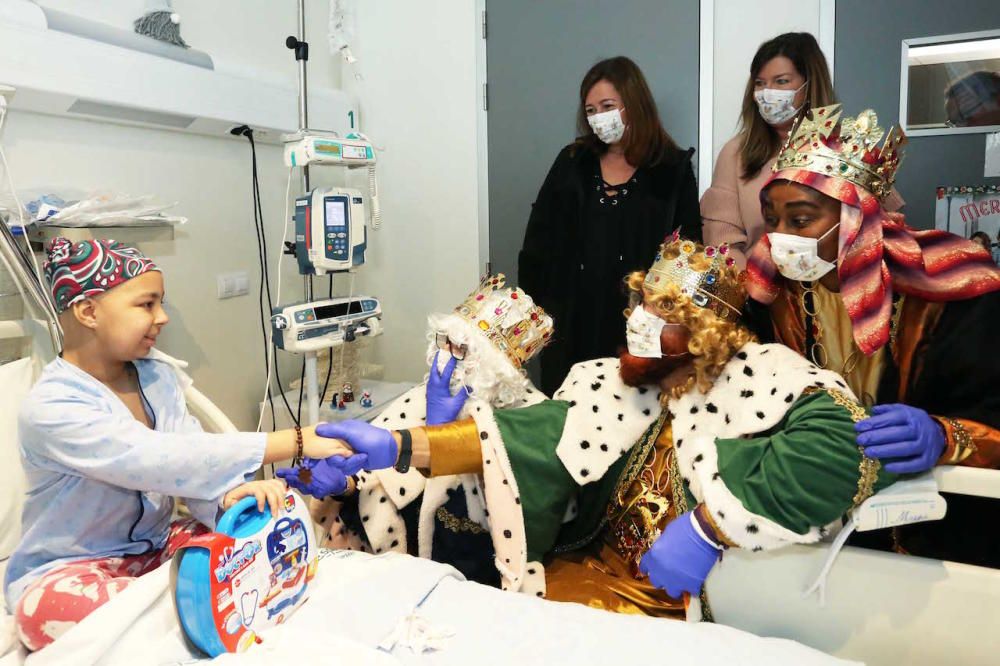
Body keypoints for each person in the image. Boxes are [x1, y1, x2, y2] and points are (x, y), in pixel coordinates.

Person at [282, 234, 897, 618]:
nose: (637, 322)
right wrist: (404, 443)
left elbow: (836, 451)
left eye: (663, 314)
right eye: (639, 304)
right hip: (577, 582)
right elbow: (531, 442)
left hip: (682, 603)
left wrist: (711, 529)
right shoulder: (608, 381)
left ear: (706, 334)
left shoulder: (762, 373)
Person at [5, 238, 349, 651]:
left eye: (160, 303)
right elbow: (155, 460)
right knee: (39, 612)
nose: (162, 317)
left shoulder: (156, 378)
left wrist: (226, 497)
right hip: (74, 567)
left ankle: (195, 599)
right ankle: (200, 600)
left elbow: (192, 462)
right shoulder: (52, 407)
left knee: (250, 530)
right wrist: (294, 441)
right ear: (88, 311)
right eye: (146, 304)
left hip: (160, 544)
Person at [745, 104, 1000, 567]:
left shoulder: (955, 296)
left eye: (800, 221)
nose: (779, 238)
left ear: (855, 221)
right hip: (813, 518)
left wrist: (945, 436)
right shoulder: (770, 297)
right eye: (772, 219)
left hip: (933, 535)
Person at [299, 274, 553, 587]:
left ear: (495, 368)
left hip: (475, 584)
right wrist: (343, 486)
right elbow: (374, 495)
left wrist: (442, 442)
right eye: (444, 341)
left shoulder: (529, 420)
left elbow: (518, 526)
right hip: (401, 575)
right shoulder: (421, 397)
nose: (445, 356)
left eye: (461, 349)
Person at [518, 56, 701, 396]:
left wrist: (667, 323)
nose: (599, 118)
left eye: (607, 106)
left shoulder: (672, 169)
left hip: (639, 328)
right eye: (590, 110)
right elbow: (537, 241)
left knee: (633, 423)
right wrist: (537, 312)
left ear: (634, 104)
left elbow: (688, 254)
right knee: (567, 417)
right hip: (570, 322)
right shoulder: (572, 161)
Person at [701, 33, 904, 268]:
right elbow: (721, 239)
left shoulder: (850, 147)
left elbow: (887, 228)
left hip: (837, 291)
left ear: (809, 84)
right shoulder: (737, 152)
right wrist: (753, 287)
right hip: (757, 291)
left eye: (781, 81)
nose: (768, 92)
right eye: (760, 83)